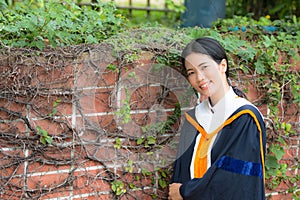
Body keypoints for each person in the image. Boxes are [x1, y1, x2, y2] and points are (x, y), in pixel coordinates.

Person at [168, 37, 266, 200]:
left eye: (204, 67)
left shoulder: (244, 118)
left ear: (223, 66)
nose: (199, 78)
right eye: (191, 72)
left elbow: (235, 180)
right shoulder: (194, 119)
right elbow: (181, 174)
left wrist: (186, 192)